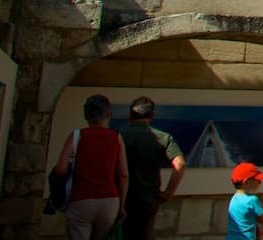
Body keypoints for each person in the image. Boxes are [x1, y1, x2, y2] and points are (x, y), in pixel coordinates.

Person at [54, 94, 129, 240]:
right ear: (107, 114)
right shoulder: (116, 137)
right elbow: (124, 174)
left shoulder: (77, 136)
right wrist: (122, 204)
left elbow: (61, 168)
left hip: (81, 198)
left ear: (86, 114)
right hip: (109, 200)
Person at [120, 96, 187, 240]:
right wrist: (168, 193)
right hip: (149, 198)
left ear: (131, 115)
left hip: (122, 197)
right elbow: (180, 164)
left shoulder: (119, 136)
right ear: (151, 115)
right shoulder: (163, 138)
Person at [226, 162, 263, 240]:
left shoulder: (234, 198)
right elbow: (262, 220)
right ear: (246, 182)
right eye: (258, 180)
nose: (260, 182)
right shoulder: (252, 200)